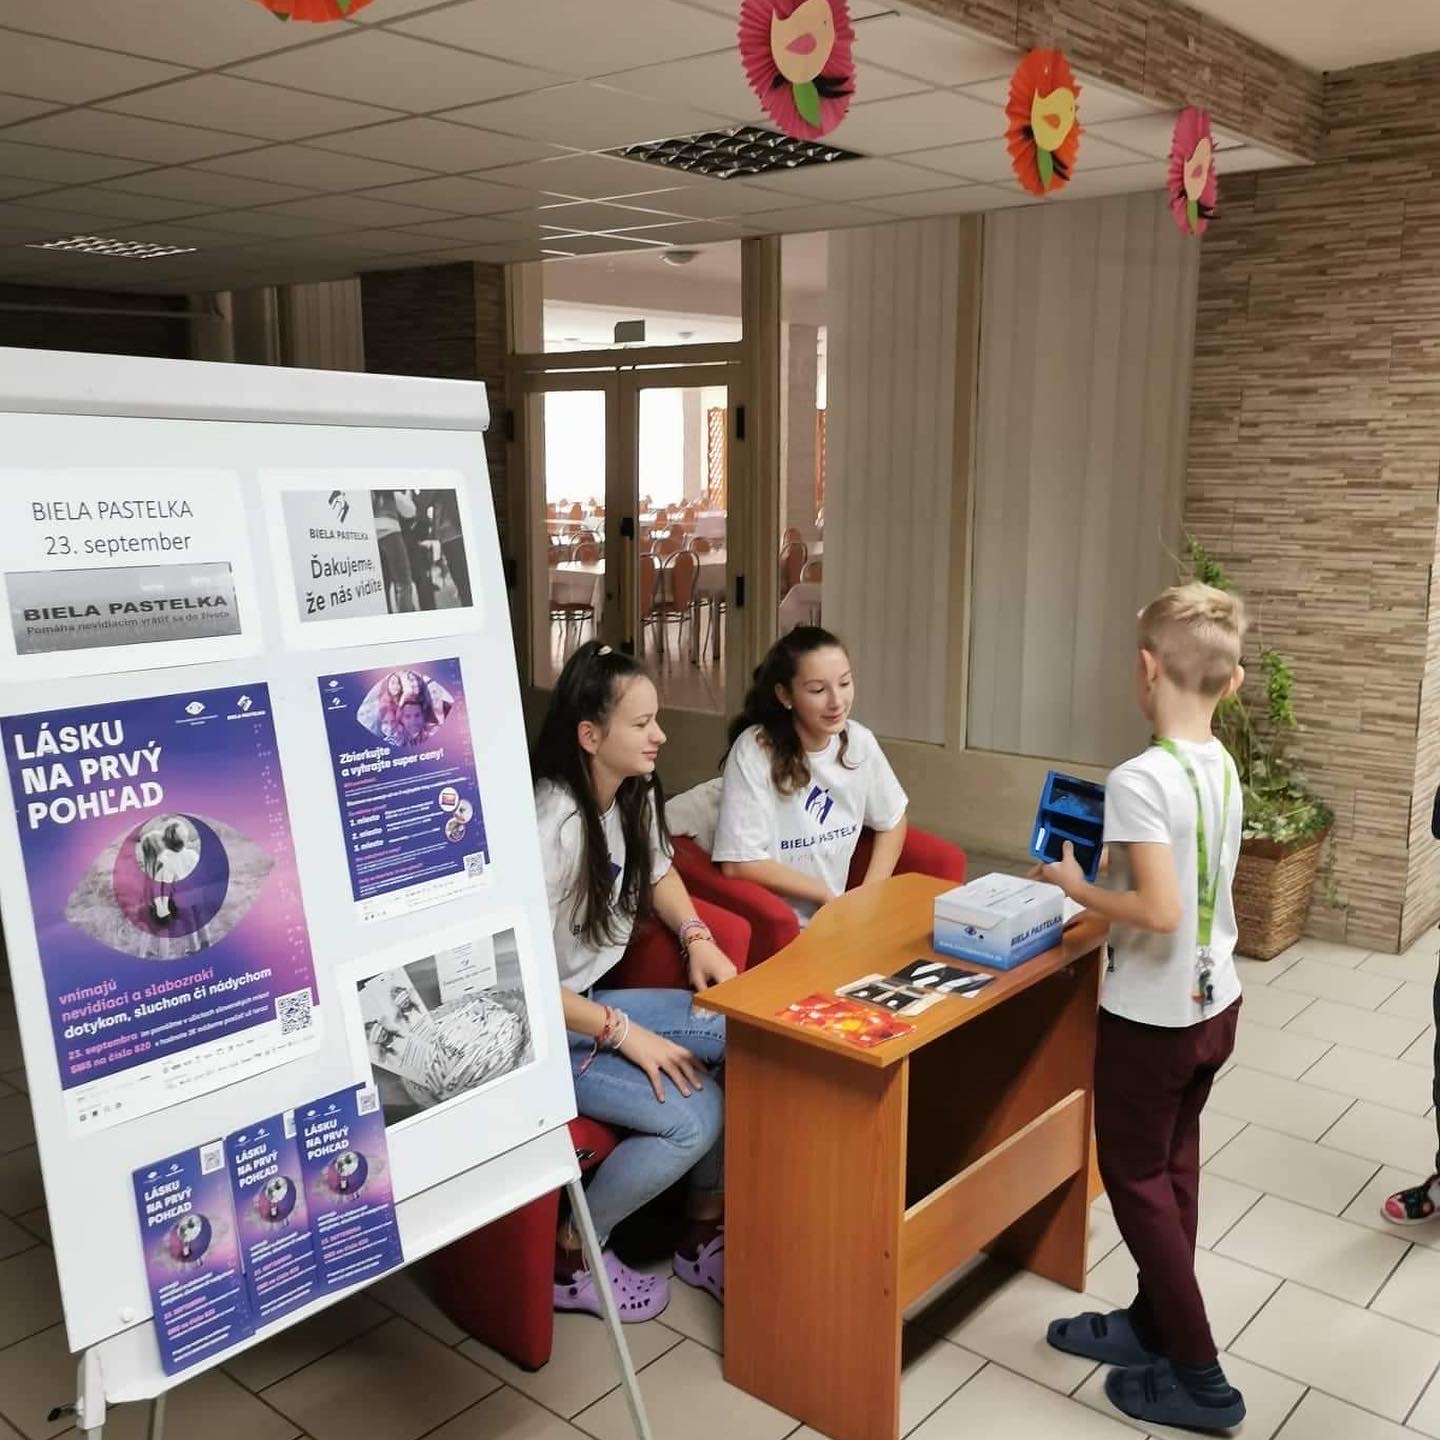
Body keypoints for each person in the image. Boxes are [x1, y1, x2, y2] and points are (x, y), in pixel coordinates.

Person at [1040, 582, 1248, 1432]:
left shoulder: (1138, 777)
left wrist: (1075, 884)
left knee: (1134, 1181)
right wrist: (1116, 878)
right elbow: (1184, 886)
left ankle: (1199, 1375)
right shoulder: (1219, 762)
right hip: (1216, 1007)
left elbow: (1158, 909)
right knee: (1174, 1167)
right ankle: (1153, 1323)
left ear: (1146, 668)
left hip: (1153, 1020)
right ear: (1232, 682)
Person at [533, 641, 740, 1321]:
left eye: (657, 720)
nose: (660, 736)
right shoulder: (551, 827)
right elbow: (522, 985)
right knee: (696, 1117)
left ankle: (699, 1233)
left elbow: (658, 869)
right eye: (642, 723)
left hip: (589, 1005)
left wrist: (696, 935)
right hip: (541, 1035)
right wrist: (626, 1035)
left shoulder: (631, 790)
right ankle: (572, 1254)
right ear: (590, 736)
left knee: (743, 1027)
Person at [711, 626, 908, 925]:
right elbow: (739, 863)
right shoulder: (756, 751)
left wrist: (868, 895)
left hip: (839, 920)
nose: (837, 701)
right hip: (781, 923)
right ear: (785, 695)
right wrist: (825, 895)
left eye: (845, 683)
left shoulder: (859, 742)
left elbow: (892, 820)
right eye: (818, 690)